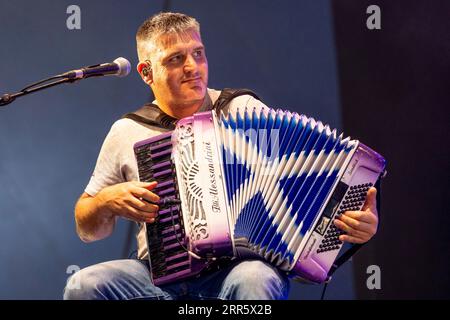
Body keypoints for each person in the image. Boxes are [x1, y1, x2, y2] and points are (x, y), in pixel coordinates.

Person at [63, 12, 379, 300]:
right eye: (175, 59)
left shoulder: (243, 111)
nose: (192, 67)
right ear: (147, 73)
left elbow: (301, 190)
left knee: (255, 278)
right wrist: (105, 201)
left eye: (197, 54)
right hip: (156, 279)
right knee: (83, 285)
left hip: (236, 272)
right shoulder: (127, 131)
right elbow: (88, 229)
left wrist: (355, 224)